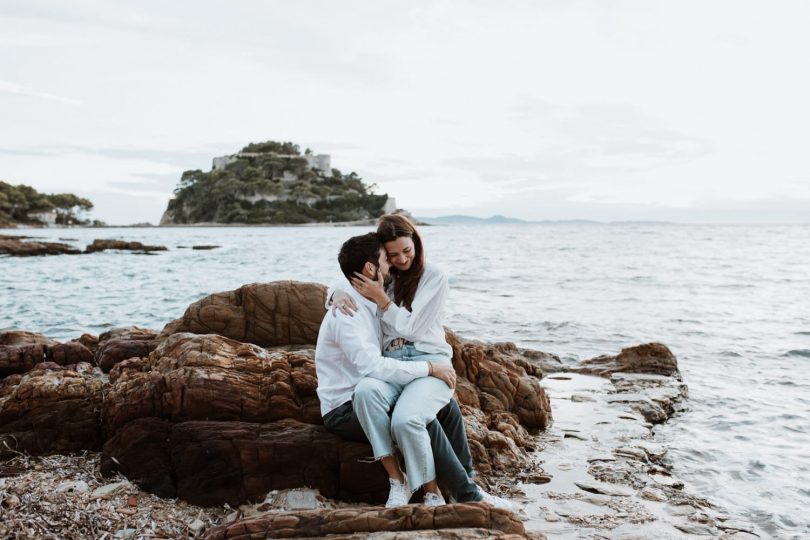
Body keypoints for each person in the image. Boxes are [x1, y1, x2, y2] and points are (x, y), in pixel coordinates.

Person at [328, 216, 513, 510]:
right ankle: (450, 487)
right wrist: (334, 294)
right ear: (381, 258)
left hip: (427, 358)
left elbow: (412, 329)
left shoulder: (434, 277)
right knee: (439, 410)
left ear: (416, 242)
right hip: (393, 362)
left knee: (411, 419)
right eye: (392, 255)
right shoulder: (383, 277)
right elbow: (348, 278)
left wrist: (383, 302)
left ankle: (461, 490)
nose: (401, 260)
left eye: (407, 250)